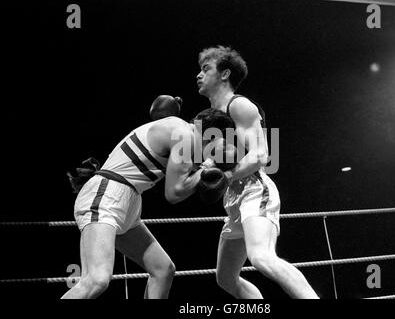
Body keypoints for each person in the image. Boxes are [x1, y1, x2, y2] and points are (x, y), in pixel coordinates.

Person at [62, 97, 235, 299]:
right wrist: (208, 166)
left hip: (127, 200)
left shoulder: (181, 134)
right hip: (107, 195)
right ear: (211, 136)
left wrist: (204, 169)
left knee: (163, 270)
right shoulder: (184, 135)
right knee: (96, 280)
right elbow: (174, 194)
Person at [196, 45, 319, 298]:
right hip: (234, 201)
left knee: (262, 257)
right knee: (226, 279)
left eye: (206, 69)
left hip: (255, 190)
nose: (198, 75)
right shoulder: (208, 118)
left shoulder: (240, 106)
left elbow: (261, 155)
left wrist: (226, 176)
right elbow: (211, 164)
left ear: (224, 74)